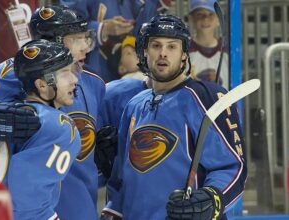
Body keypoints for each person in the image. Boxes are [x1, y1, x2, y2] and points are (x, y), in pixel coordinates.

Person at [0, 5, 105, 220]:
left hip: (74, 196)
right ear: (53, 40)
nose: (86, 47)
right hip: (24, 199)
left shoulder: (94, 83)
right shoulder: (17, 72)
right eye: (77, 39)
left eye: (87, 38)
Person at [101, 14, 247, 219]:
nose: (163, 53)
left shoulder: (205, 97)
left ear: (184, 54)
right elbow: (121, 178)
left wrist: (213, 198)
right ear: (144, 51)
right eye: (156, 45)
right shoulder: (134, 105)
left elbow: (233, 166)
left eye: (172, 46)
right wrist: (112, 212)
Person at [0, 39, 81, 219]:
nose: (74, 80)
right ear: (42, 84)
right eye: (65, 73)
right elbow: (27, 199)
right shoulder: (60, 126)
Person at [60, 0, 171, 82]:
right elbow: (64, 27)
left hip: (126, 82)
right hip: (85, 77)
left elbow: (144, 33)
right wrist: (103, 29)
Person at [188, 0, 229, 89]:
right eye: (199, 14)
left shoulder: (227, 50)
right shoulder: (184, 50)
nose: (205, 19)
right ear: (192, 19)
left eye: (210, 14)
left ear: (218, 19)